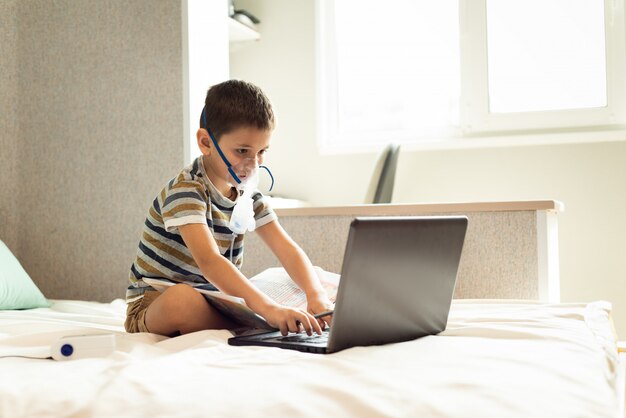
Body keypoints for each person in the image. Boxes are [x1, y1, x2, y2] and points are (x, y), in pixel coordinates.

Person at [125, 80, 333, 337]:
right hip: (154, 302)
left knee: (311, 279)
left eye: (261, 152)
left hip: (216, 299)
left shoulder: (248, 195)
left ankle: (255, 320)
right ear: (206, 142)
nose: (253, 163)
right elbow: (210, 262)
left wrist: (317, 297)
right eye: (242, 150)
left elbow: (287, 249)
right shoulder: (187, 191)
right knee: (182, 300)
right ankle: (255, 323)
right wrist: (269, 309)